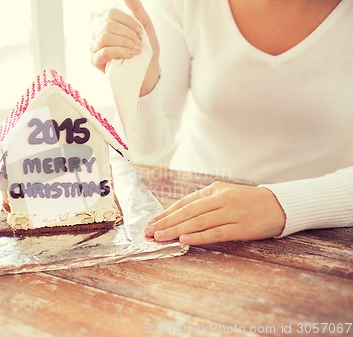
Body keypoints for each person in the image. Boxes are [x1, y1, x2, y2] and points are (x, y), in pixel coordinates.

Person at [90, 0, 353, 245]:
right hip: (188, 220)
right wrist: (143, 83)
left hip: (318, 235)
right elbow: (149, 158)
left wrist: (278, 204)